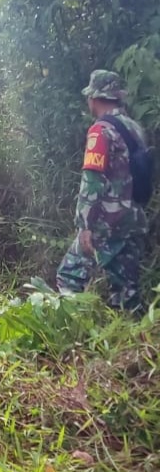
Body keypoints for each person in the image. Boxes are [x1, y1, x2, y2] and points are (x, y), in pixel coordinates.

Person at [56, 70, 149, 315]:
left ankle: (69, 334)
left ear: (94, 98)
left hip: (106, 223)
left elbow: (93, 180)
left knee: (69, 278)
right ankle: (136, 343)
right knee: (127, 291)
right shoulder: (134, 128)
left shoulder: (100, 131)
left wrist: (85, 224)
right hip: (133, 219)